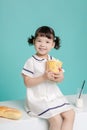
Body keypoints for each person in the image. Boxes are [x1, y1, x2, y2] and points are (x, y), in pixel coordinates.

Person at [21, 26, 75, 130]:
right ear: (34, 41)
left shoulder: (53, 60)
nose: (42, 44)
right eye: (39, 41)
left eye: (47, 41)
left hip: (53, 96)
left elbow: (60, 79)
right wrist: (44, 77)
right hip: (38, 99)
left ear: (52, 45)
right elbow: (27, 82)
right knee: (56, 120)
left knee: (71, 114)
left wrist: (59, 77)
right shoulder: (31, 61)